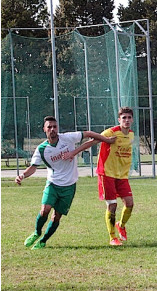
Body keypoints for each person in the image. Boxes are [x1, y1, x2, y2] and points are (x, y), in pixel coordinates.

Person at [15, 115, 115, 250]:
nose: (52, 129)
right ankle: (37, 232)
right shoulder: (41, 149)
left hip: (69, 186)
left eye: (54, 126)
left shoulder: (67, 138)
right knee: (45, 210)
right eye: (49, 127)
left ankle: (43, 240)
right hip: (53, 184)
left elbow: (89, 134)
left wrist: (106, 140)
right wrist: (22, 175)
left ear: (58, 128)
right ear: (44, 129)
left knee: (56, 217)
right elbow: (33, 168)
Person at [68, 107, 136, 246]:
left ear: (132, 120)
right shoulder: (110, 132)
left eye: (129, 118)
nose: (127, 120)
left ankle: (121, 225)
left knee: (129, 204)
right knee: (112, 205)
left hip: (122, 176)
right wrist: (73, 153)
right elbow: (91, 142)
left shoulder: (131, 135)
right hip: (107, 174)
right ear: (119, 120)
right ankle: (112, 238)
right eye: (124, 118)